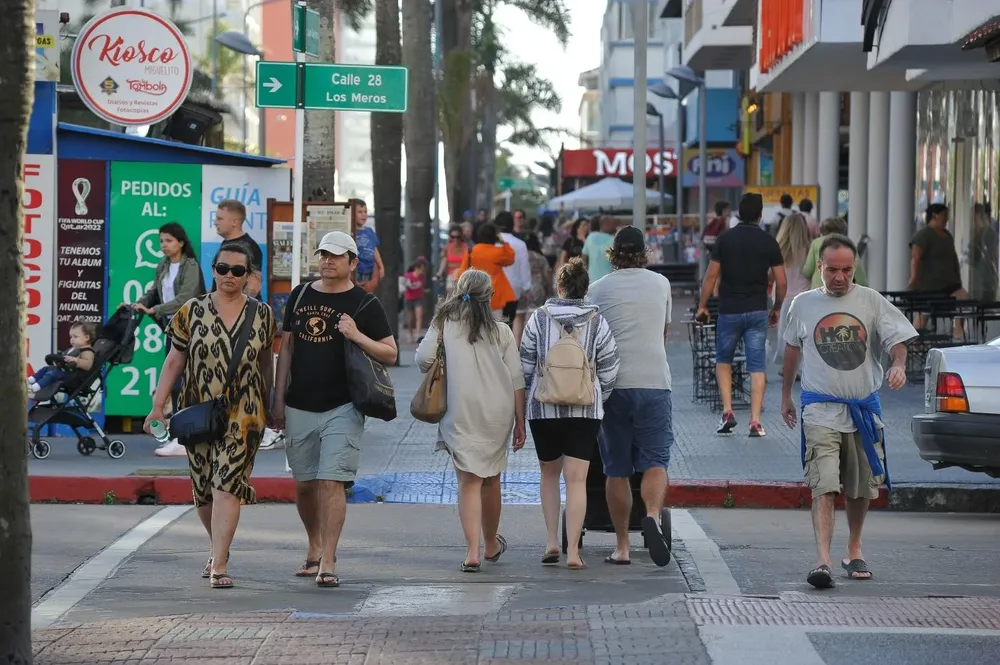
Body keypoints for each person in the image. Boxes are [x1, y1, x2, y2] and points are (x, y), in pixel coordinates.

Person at [779, 234, 917, 589]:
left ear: (855, 268)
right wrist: (785, 397)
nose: (840, 277)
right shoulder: (802, 304)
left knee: (859, 489)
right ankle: (822, 560)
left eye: (847, 270)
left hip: (862, 411)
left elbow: (897, 342)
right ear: (819, 267)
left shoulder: (871, 301)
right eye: (833, 269)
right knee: (823, 485)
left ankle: (853, 548)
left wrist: (898, 365)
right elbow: (792, 351)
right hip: (819, 410)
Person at [144, 243, 276, 589]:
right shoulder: (191, 311)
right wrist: (158, 406)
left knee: (226, 484)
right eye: (222, 268)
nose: (228, 276)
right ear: (213, 269)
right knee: (203, 490)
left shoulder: (262, 315)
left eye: (237, 271)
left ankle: (219, 563)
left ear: (249, 276)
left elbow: (265, 364)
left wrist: (273, 404)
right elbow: (174, 360)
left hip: (245, 413)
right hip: (198, 411)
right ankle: (218, 546)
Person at [272, 231, 397, 588]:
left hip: (344, 405)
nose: (327, 261)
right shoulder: (299, 295)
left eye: (336, 256)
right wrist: (277, 400)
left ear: (353, 263)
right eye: (323, 254)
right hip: (299, 404)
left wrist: (356, 334)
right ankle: (314, 544)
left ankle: (328, 558)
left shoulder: (364, 304)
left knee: (332, 481)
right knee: (304, 484)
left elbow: (390, 353)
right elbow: (288, 350)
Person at [416, 269, 526, 572]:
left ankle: (473, 552)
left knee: (467, 482)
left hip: (459, 411)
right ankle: (491, 543)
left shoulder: (443, 325)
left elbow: (422, 360)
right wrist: (520, 422)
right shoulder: (502, 331)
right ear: (489, 298)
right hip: (498, 414)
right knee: (491, 480)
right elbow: (518, 380)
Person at [520, 259, 619, 569]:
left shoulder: (538, 318)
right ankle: (574, 552)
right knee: (576, 480)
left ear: (558, 287)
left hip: (544, 409)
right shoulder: (597, 321)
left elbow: (523, 364)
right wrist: (599, 394)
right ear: (585, 290)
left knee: (549, 474)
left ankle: (551, 541)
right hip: (584, 410)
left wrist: (525, 401)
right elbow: (611, 367)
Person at [588, 227, 674, 567]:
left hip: (613, 386)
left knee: (616, 468)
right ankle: (651, 514)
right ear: (645, 253)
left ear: (612, 254)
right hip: (654, 381)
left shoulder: (597, 289)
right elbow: (663, 334)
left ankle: (622, 546)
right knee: (655, 460)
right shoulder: (661, 284)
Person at [697, 193, 787, 438]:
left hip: (729, 310)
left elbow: (710, 276)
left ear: (738, 214)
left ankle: (727, 411)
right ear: (759, 215)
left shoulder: (725, 239)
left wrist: (703, 305)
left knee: (723, 361)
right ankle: (755, 421)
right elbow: (781, 281)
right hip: (757, 310)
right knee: (756, 366)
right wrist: (776, 307)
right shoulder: (769, 241)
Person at [130, 222, 207, 456]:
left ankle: (186, 435)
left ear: (181, 242)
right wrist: (141, 303)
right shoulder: (163, 265)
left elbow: (187, 296)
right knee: (174, 380)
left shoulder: (190, 265)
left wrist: (158, 309)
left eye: (169, 241)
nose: (164, 245)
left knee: (185, 382)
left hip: (192, 328)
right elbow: (154, 291)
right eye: (161, 241)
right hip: (173, 329)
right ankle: (180, 434)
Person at [909, 203, 969, 339]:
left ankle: (958, 332)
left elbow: (953, 258)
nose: (947, 219)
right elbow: (915, 258)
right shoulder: (923, 235)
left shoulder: (947, 236)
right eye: (944, 216)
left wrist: (958, 279)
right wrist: (913, 281)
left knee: (963, 298)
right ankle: (913, 341)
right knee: (923, 315)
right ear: (935, 216)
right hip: (929, 287)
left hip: (951, 285)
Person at [773, 213, 813, 368]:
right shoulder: (810, 249)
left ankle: (789, 368)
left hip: (785, 299)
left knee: (786, 339)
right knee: (804, 338)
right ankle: (800, 369)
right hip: (805, 298)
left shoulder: (779, 250)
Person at [455, 223, 516, 324]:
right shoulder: (498, 252)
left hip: (475, 297)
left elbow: (461, 274)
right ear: (494, 237)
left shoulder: (471, 251)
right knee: (495, 327)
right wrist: (503, 242)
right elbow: (510, 259)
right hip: (495, 296)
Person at [28, 320, 98, 396]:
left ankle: (33, 389)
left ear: (86, 337)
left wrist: (76, 360)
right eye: (71, 337)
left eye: (75, 336)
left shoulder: (87, 351)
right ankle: (29, 381)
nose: (72, 339)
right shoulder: (74, 349)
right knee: (46, 369)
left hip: (73, 378)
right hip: (65, 372)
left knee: (52, 374)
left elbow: (87, 365)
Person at [493, 211, 532, 343]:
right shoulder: (520, 244)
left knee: (493, 324)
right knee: (508, 324)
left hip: (494, 289)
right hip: (513, 289)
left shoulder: (492, 244)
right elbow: (524, 267)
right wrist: (526, 288)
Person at [213, 200, 263, 298]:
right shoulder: (225, 244)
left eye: (219, 219)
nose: (215, 223)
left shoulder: (249, 247)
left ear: (234, 222)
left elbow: (254, 284)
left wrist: (237, 309)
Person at [803, 217, 869, 289]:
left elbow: (808, 270)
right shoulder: (847, 243)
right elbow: (858, 269)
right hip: (841, 287)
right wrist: (863, 286)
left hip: (819, 287)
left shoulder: (816, 243)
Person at [351, 199, 385, 294]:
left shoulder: (369, 231)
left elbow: (374, 249)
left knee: (368, 295)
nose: (364, 214)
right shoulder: (351, 231)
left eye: (365, 212)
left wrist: (381, 266)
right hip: (357, 270)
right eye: (360, 212)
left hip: (370, 270)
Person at [519, 233, 554, 318]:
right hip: (536, 290)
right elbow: (547, 275)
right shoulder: (539, 258)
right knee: (533, 316)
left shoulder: (517, 256)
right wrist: (550, 289)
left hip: (520, 289)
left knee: (519, 316)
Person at [581, 216, 615, 283]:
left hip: (592, 280)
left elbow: (583, 258)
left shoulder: (590, 237)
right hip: (607, 280)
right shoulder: (613, 240)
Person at [403, 257, 428, 342]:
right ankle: (410, 333)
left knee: (419, 315)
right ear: (416, 267)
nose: (422, 271)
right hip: (409, 298)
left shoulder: (422, 276)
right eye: (421, 269)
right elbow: (404, 286)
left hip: (419, 298)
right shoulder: (408, 276)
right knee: (411, 318)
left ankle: (417, 334)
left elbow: (422, 286)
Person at [438, 225, 468, 294]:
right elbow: (445, 260)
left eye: (458, 237)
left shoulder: (466, 247)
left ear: (461, 236)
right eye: (453, 237)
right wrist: (440, 272)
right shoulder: (448, 247)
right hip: (451, 275)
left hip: (463, 275)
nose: (455, 239)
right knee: (450, 291)